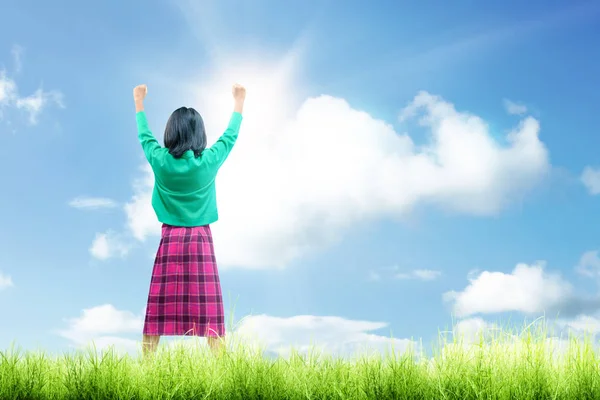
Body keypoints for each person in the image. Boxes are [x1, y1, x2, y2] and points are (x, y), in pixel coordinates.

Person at [132, 82, 246, 357]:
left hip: (170, 239)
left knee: (158, 305)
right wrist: (239, 102)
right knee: (210, 309)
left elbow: (145, 137)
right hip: (200, 240)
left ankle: (145, 368)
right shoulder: (207, 162)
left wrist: (139, 101)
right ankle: (221, 368)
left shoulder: (160, 160)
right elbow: (229, 137)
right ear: (200, 135)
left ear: (170, 133)